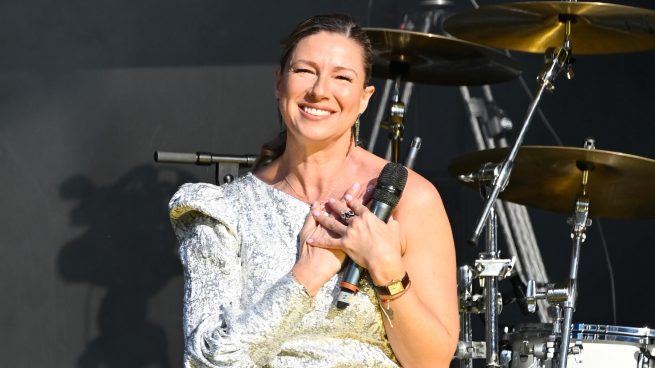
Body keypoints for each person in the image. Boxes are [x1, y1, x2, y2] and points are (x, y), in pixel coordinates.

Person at [169, 14, 459, 367]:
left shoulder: (409, 199)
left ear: (366, 97)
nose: (320, 90)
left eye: (342, 77)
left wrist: (386, 269)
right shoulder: (223, 211)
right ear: (279, 83)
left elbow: (432, 362)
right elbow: (205, 361)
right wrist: (305, 276)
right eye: (305, 71)